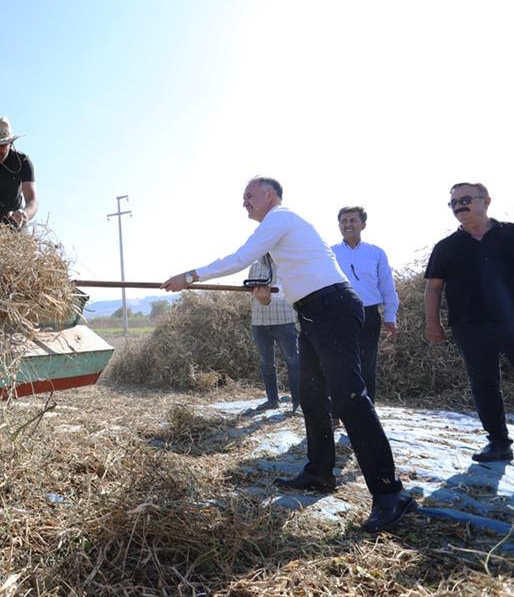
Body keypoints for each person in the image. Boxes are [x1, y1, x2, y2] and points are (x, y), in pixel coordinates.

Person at [162, 176, 415, 533]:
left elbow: (241, 257)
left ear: (270, 195)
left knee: (349, 399)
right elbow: (301, 283)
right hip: (314, 310)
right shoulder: (285, 234)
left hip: (334, 308)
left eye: (249, 196)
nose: (244, 203)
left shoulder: (280, 217)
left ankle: (391, 494)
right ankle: (319, 472)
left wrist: (190, 275)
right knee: (312, 396)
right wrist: (270, 297)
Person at [424, 182, 514, 463]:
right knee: (484, 383)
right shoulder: (446, 247)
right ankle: (499, 443)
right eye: (453, 202)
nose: (459, 206)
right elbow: (433, 288)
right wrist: (433, 323)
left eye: (465, 199)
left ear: (486, 201)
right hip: (469, 324)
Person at [331, 206, 399, 402]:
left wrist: (390, 316)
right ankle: (337, 412)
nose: (348, 225)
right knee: (337, 363)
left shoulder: (376, 253)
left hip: (368, 314)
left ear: (363, 224)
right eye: (343, 221)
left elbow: (387, 285)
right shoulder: (330, 253)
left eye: (352, 220)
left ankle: (367, 410)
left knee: (366, 363)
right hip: (338, 314)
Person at [247, 256, 300, 412]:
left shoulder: (287, 263)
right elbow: (252, 293)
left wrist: (269, 297)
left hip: (284, 319)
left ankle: (298, 403)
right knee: (266, 363)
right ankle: (272, 400)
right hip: (259, 321)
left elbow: (291, 292)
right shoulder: (254, 266)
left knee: (293, 362)